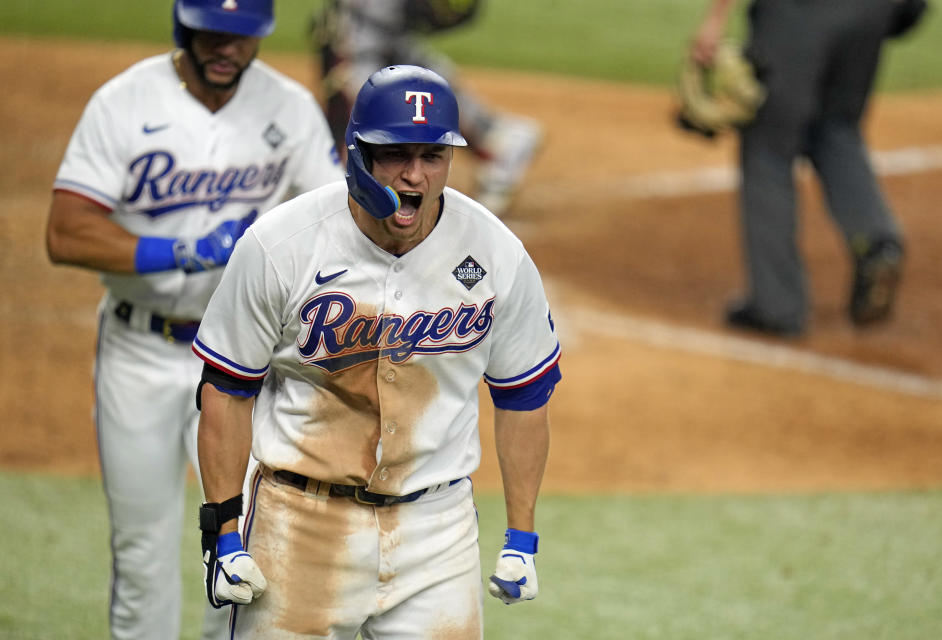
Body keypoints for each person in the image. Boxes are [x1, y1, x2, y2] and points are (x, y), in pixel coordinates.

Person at [192, 64, 561, 638]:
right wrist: (223, 528)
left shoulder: (496, 252)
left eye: (432, 156)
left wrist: (522, 537)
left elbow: (524, 393)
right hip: (299, 525)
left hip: (438, 534)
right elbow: (228, 388)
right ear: (356, 153)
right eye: (395, 154)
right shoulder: (280, 245)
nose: (414, 174)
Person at [44, 0, 343, 637]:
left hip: (243, 360)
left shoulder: (288, 108)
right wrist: (177, 251)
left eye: (240, 36)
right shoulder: (123, 103)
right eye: (211, 33)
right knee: (143, 550)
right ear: (184, 25)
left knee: (247, 547)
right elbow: (65, 233)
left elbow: (334, 225)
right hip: (140, 352)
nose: (224, 49)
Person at [690, 0, 908, 336]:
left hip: (800, 12)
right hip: (874, 9)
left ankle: (776, 305)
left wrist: (714, 21)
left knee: (768, 146)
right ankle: (879, 241)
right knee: (837, 128)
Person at [311, 0, 542, 217]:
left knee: (364, 99)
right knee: (413, 83)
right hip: (372, 35)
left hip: (369, 37)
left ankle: (498, 143)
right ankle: (497, 141)